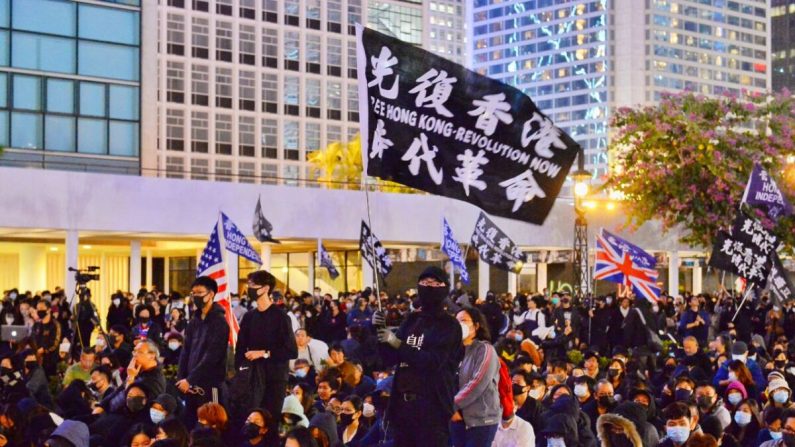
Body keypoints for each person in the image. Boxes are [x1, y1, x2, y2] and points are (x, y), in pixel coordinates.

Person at [373, 267, 464, 447]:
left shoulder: (449, 325)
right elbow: (390, 359)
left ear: (444, 288)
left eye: (434, 283)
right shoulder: (412, 320)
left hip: (432, 408)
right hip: (403, 406)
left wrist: (398, 343)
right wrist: (381, 332)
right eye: (424, 282)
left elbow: (433, 362)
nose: (428, 287)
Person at [235, 269, 298, 443]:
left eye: (253, 285)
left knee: (269, 422)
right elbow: (240, 349)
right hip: (252, 378)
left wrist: (263, 353)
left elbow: (291, 350)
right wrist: (240, 370)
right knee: (250, 420)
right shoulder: (249, 317)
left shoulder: (281, 317)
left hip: (274, 378)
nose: (249, 289)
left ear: (265, 288)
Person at [177, 276, 230, 429]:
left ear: (211, 294)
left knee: (211, 425)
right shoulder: (194, 321)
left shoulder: (219, 322)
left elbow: (212, 356)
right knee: (189, 424)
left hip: (209, 385)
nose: (195, 297)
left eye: (200, 292)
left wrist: (191, 379)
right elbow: (185, 351)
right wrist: (182, 379)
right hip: (190, 386)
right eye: (193, 293)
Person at [450, 306, 500, 447]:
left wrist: (452, 405)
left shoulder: (485, 349)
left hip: (481, 420)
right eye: (456, 321)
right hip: (457, 418)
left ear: (476, 325)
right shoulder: (454, 351)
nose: (459, 325)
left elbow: (478, 382)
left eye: (464, 320)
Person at [32, 299, 60, 376]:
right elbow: (32, 339)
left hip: (50, 359)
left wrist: (43, 349)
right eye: (37, 309)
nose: (39, 311)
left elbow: (55, 343)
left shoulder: (55, 324)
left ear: (48, 310)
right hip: (37, 358)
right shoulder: (36, 325)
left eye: (41, 309)